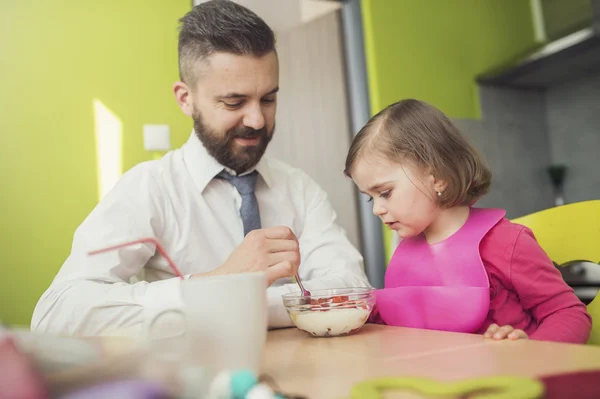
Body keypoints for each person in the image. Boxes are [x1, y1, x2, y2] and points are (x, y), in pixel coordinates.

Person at [31, 0, 369, 336]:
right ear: (185, 99)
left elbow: (351, 288)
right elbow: (57, 312)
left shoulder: (300, 188)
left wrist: (238, 305)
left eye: (268, 99)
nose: (256, 119)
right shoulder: (148, 189)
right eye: (234, 102)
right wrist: (219, 285)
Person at [344, 98, 591, 343]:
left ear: (438, 176)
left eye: (385, 193)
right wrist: (354, 308)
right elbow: (400, 318)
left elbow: (569, 313)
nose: (377, 209)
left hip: (509, 378)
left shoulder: (506, 243)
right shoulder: (405, 248)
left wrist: (531, 350)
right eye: (370, 198)